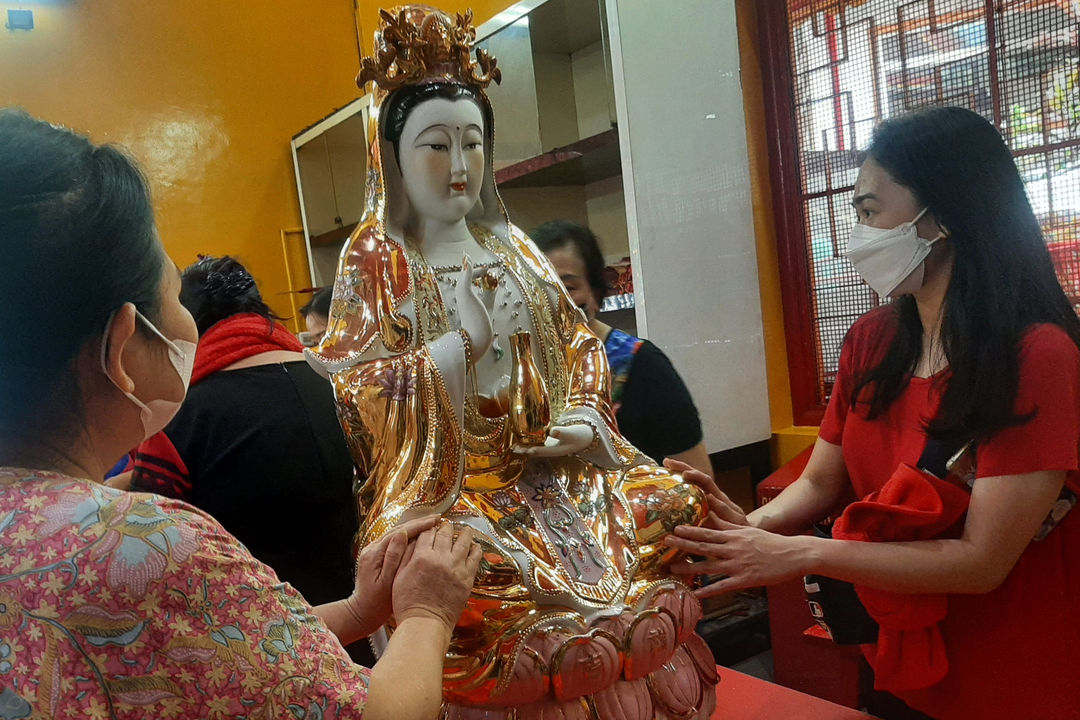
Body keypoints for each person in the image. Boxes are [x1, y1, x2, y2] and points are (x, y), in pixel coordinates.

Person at [0, 108, 480, 720]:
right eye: (170, 294)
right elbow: (379, 710)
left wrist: (361, 611)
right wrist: (427, 612)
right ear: (122, 345)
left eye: (469, 142)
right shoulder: (153, 551)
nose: (458, 164)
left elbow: (225, 652)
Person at [306, 7, 717, 718]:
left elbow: (582, 346)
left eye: (473, 143)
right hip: (461, 494)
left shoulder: (515, 249)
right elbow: (362, 389)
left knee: (676, 504)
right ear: (394, 154)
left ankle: (596, 639)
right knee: (453, 570)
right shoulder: (379, 258)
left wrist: (586, 421)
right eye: (436, 145)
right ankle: (583, 649)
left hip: (559, 479)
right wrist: (458, 346)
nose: (459, 165)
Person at [665, 106, 1080, 719]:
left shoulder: (1037, 355)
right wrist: (750, 530)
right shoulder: (873, 341)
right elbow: (818, 481)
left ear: (942, 215)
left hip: (1011, 673)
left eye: (869, 210)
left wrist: (804, 553)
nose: (858, 232)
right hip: (896, 654)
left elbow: (981, 561)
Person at [126, 256, 366, 660]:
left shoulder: (181, 417)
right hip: (367, 632)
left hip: (260, 648)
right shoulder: (341, 387)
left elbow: (151, 556)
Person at [533, 220, 712, 477]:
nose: (554, 301)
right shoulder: (523, 375)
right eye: (540, 289)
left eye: (568, 287)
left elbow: (697, 479)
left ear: (594, 293)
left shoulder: (645, 366)